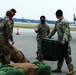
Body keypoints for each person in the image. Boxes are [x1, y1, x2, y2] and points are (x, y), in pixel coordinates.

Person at [47, 9, 75, 75]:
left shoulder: (64, 21)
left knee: (67, 55)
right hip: (60, 41)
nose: (56, 16)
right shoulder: (57, 22)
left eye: (56, 15)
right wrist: (48, 36)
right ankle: (59, 68)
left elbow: (66, 31)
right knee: (60, 55)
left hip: (65, 41)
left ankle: (71, 69)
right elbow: (54, 30)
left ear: (58, 15)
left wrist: (64, 40)